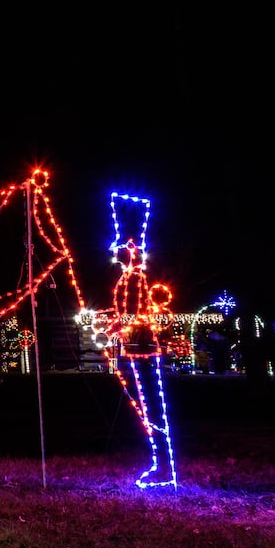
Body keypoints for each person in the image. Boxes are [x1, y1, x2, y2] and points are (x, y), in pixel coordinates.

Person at [99, 192, 178, 489]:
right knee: (144, 402)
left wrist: (121, 324)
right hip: (134, 346)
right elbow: (127, 313)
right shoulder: (125, 279)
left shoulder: (135, 279)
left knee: (151, 403)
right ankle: (159, 461)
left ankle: (164, 465)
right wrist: (113, 321)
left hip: (142, 347)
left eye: (124, 248)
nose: (119, 253)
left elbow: (136, 312)